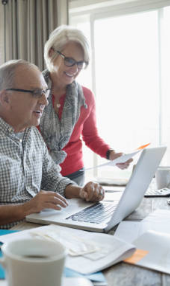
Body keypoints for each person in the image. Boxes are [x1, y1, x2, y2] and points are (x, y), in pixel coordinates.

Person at [0, 60, 105, 241]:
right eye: (36, 93)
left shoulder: (32, 134)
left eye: (45, 92)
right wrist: (25, 209)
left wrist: (80, 191)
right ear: (6, 98)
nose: (45, 101)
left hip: (36, 232)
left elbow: (51, 177)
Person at [39, 25, 132, 186]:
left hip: (75, 176)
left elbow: (90, 137)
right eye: (69, 61)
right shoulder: (31, 92)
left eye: (81, 63)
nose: (75, 69)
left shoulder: (86, 97)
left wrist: (112, 155)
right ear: (51, 53)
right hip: (37, 175)